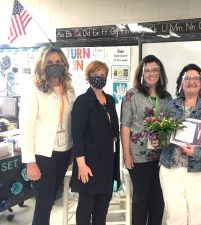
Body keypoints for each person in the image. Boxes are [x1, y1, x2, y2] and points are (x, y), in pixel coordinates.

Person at [155, 64, 201, 225]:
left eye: (196, 78)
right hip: (171, 170)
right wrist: (158, 140)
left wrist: (196, 153)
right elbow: (162, 135)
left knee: (199, 218)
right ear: (181, 83)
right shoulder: (170, 106)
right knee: (175, 217)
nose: (191, 81)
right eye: (187, 78)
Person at [20, 46, 76, 225]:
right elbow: (26, 126)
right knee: (44, 203)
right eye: (50, 62)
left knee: (52, 198)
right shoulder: (33, 89)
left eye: (58, 62)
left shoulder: (68, 89)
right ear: (43, 65)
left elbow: (73, 119)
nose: (55, 65)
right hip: (43, 155)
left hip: (64, 151)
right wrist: (30, 162)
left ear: (64, 64)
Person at [120, 55, 171, 225]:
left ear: (160, 72)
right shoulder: (132, 95)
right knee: (141, 199)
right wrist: (126, 154)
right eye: (147, 69)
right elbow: (125, 125)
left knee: (158, 200)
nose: (152, 73)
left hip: (162, 156)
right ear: (141, 72)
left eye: (155, 69)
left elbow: (170, 127)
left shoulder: (166, 97)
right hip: (138, 156)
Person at [70, 60, 121, 225]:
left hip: (107, 161)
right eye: (95, 75)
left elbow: (113, 130)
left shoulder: (110, 101)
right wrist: (81, 165)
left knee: (102, 208)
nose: (99, 78)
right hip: (88, 163)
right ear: (88, 77)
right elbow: (77, 135)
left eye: (102, 75)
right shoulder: (83, 101)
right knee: (86, 207)